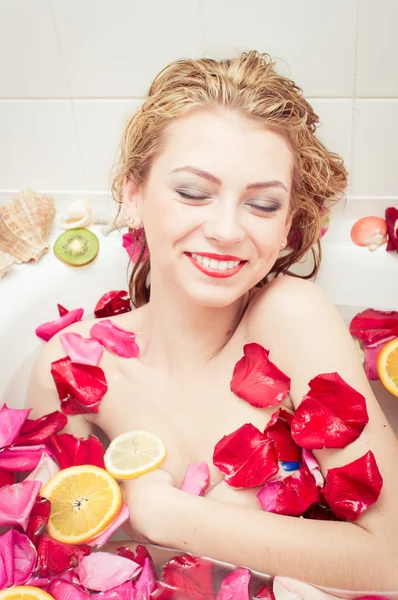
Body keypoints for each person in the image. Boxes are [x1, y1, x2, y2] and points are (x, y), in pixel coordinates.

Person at [27, 50, 398, 593]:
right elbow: (56, 552)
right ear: (134, 196)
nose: (226, 229)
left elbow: (390, 559)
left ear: (289, 225)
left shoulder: (289, 318)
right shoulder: (71, 364)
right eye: (194, 192)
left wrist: (167, 516)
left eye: (263, 204)